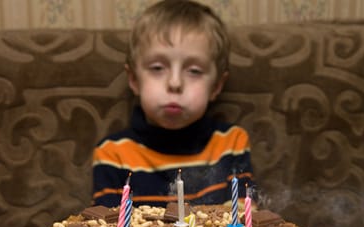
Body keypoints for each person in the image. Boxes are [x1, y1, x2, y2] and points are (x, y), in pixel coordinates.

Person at [92, 0, 253, 208]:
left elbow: (244, 221)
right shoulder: (112, 154)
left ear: (216, 86)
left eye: (194, 71)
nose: (175, 83)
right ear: (133, 80)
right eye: (158, 67)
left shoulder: (232, 143)